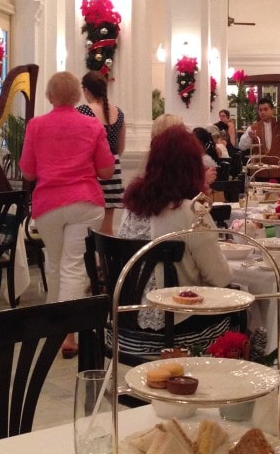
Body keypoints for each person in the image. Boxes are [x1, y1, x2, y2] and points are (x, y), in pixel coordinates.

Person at [116, 125, 234, 360]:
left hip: (124, 329)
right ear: (192, 167)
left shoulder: (132, 210)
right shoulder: (192, 213)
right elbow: (220, 278)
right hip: (177, 334)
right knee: (242, 309)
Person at [19, 71, 115, 358]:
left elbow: (28, 172)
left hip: (48, 204)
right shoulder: (91, 124)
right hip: (85, 202)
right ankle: (67, 333)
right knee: (72, 265)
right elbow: (107, 171)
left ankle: (55, 326)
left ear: (49, 96)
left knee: (55, 261)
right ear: (77, 96)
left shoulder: (36, 126)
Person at [76, 71, 125, 235]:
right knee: (107, 226)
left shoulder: (82, 111)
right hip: (113, 168)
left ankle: (91, 259)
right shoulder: (119, 113)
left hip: (92, 170)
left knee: (87, 226)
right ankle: (106, 259)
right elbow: (120, 147)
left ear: (87, 90)